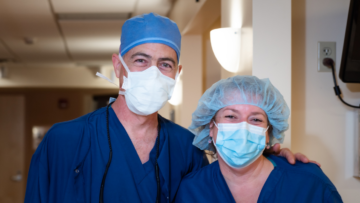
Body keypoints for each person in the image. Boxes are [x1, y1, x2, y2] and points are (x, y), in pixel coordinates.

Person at [25, 13, 314, 203]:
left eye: (165, 64)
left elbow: (220, 185)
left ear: (176, 73)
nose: (153, 72)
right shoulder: (64, 140)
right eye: (140, 60)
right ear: (118, 66)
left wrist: (269, 156)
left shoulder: (186, 147)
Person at [174, 75, 342, 203]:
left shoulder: (309, 183)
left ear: (268, 132)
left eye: (256, 119)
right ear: (211, 127)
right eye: (231, 116)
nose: (243, 127)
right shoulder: (192, 189)